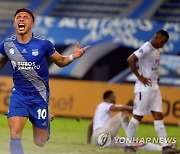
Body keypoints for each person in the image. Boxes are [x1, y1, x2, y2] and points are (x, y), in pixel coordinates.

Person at [0, 8, 90, 154]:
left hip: (39, 97)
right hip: (19, 95)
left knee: (40, 142)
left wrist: (73, 56)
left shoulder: (43, 44)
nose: (21, 19)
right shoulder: (7, 45)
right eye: (18, 17)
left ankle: (46, 119)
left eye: (25, 17)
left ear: (32, 24)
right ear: (14, 23)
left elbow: (60, 61)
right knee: (15, 132)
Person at [125, 30, 180, 154]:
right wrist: (139, 77)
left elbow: (152, 66)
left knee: (159, 115)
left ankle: (165, 147)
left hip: (154, 86)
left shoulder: (157, 49)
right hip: (144, 88)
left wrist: (156, 75)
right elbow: (130, 59)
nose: (163, 45)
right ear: (157, 37)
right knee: (138, 116)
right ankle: (128, 145)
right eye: (163, 42)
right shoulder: (146, 47)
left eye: (165, 43)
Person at [87, 90, 164, 152]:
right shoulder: (103, 104)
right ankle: (130, 140)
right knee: (123, 112)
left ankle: (162, 148)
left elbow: (90, 126)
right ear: (107, 99)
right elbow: (118, 108)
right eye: (113, 97)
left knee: (138, 143)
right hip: (101, 134)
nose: (115, 98)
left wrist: (88, 142)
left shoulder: (100, 113)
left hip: (102, 140)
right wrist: (133, 108)